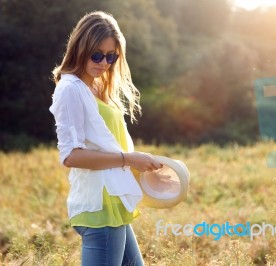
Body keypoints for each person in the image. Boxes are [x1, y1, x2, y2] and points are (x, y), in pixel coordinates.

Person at [49, 11, 162, 266]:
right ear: (80, 48)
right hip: (99, 207)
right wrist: (128, 158)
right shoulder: (70, 89)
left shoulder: (97, 86)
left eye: (111, 56)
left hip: (113, 202)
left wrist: (141, 165)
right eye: (97, 54)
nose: (104, 63)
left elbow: (110, 145)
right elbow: (70, 155)